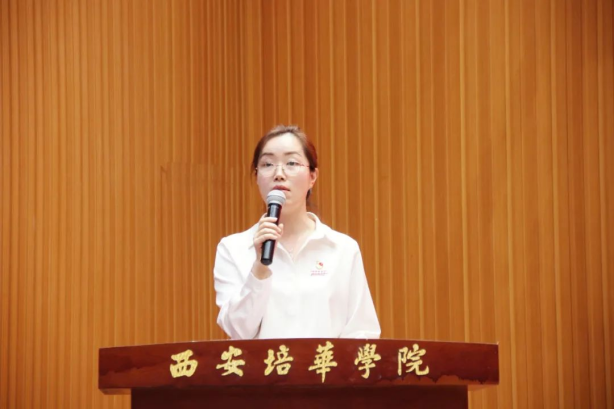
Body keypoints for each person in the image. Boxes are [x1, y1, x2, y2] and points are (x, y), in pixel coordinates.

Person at [213, 125, 381, 340]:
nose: (279, 174)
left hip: (325, 363)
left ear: (312, 176)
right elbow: (238, 331)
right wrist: (259, 268)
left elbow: (362, 332)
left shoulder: (342, 248)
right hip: (264, 364)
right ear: (256, 177)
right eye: (267, 164)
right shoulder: (233, 249)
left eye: (291, 163)